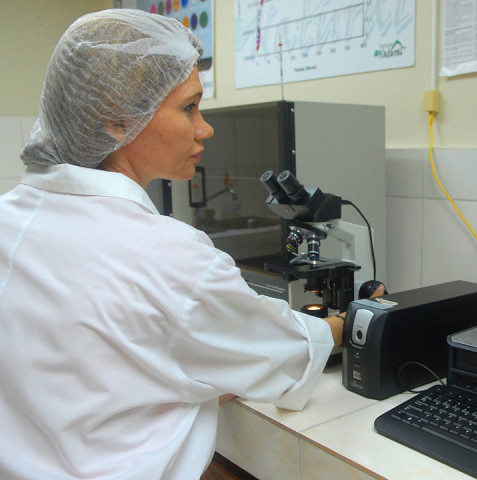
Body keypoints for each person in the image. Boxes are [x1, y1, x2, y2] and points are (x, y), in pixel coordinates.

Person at [0, 9, 344, 479]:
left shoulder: (8, 217)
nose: (206, 128)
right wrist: (344, 323)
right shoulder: (167, 255)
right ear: (116, 121)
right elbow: (284, 354)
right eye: (189, 108)